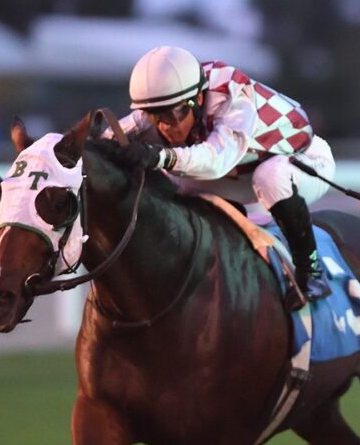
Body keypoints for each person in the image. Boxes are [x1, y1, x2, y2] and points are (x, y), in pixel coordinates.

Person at [112, 46, 333, 307]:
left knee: (269, 176)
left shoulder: (232, 97)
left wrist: (160, 156)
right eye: (155, 116)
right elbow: (103, 141)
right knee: (176, 184)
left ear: (199, 99)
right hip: (239, 172)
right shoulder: (170, 98)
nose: (164, 127)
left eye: (173, 115)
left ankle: (311, 271)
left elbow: (216, 160)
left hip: (305, 161)